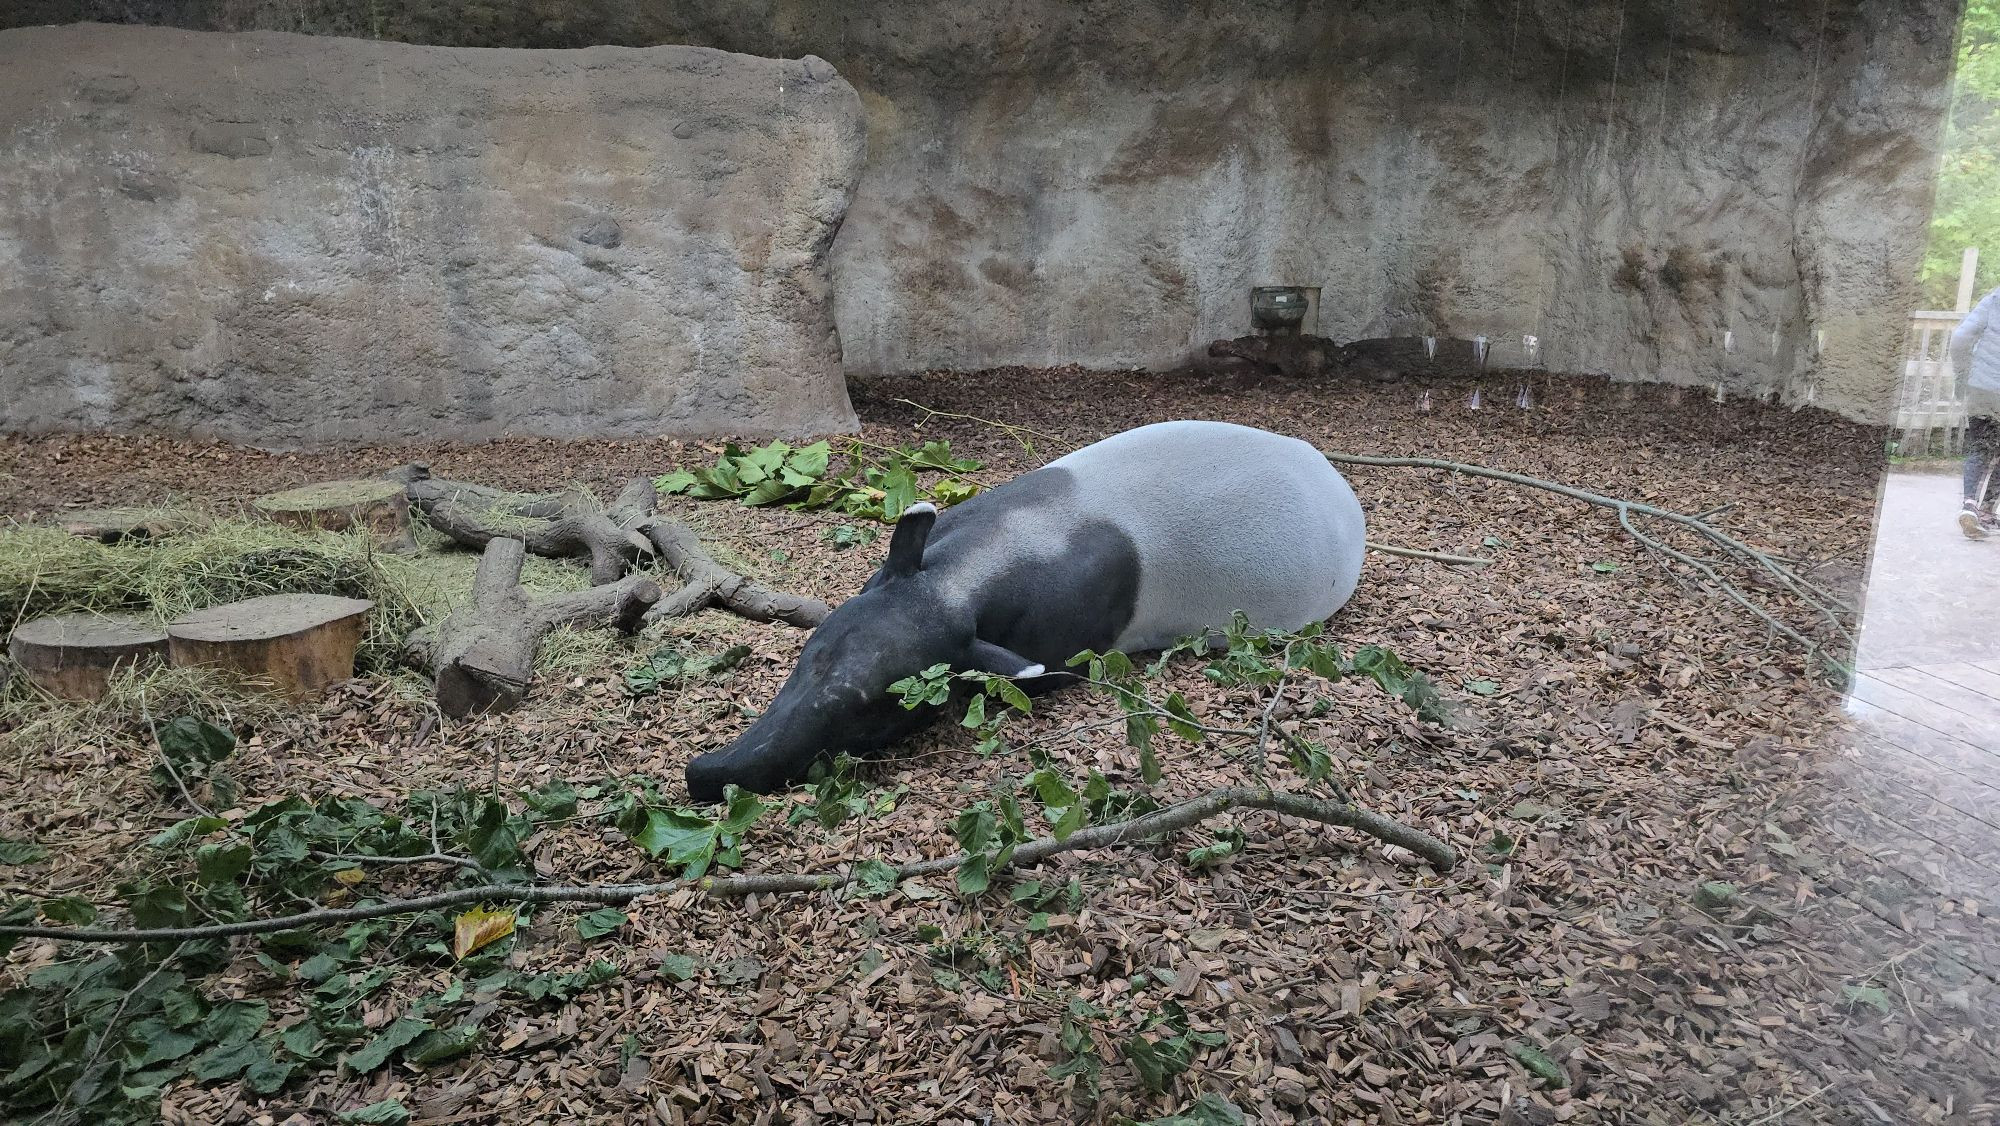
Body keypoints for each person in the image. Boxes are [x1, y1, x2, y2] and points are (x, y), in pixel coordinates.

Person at [1948, 285, 2000, 538]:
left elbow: (1960, 340)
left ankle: (1969, 506)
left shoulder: (1993, 299)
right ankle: (1989, 509)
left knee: (1979, 446)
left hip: (1982, 387)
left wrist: (1962, 374)